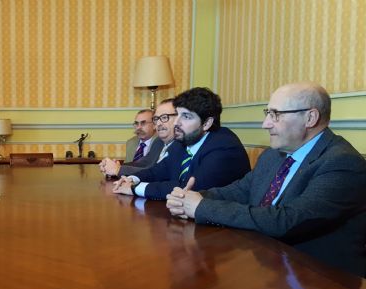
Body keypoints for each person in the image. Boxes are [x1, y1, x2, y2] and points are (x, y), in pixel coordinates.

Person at [166, 82, 366, 276]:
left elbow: (286, 221)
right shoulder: (273, 155)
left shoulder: (342, 162)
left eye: (275, 114)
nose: (265, 124)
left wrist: (202, 207)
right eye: (267, 113)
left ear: (310, 118)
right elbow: (240, 190)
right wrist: (190, 198)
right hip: (268, 263)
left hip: (322, 281)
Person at [112, 87, 250, 200]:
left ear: (207, 123)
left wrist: (135, 188)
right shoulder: (183, 142)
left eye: (186, 116)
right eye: (177, 115)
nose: (177, 122)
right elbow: (158, 171)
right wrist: (131, 179)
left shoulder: (224, 146)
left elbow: (188, 188)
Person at [100, 99, 177, 177]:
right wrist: (116, 166)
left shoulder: (180, 145)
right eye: (156, 119)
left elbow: (157, 173)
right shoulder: (159, 142)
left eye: (164, 117)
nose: (159, 123)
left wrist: (118, 170)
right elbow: (144, 164)